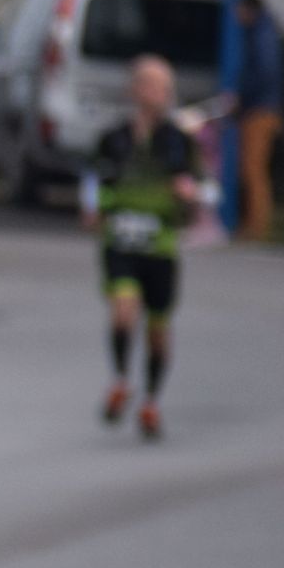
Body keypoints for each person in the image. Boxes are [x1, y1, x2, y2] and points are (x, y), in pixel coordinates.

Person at [83, 54, 202, 442]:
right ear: (133, 89)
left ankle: (151, 400)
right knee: (123, 311)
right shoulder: (113, 138)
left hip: (160, 248)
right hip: (121, 242)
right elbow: (93, 179)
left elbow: (200, 190)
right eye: (147, 84)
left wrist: (189, 197)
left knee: (157, 330)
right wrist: (93, 207)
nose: (154, 92)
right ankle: (120, 380)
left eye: (162, 86)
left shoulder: (179, 142)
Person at [229, 0, 284, 242]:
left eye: (239, 9)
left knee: (253, 168)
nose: (236, 15)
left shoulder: (262, 34)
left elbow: (264, 71)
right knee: (252, 168)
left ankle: (257, 226)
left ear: (249, 8)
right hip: (261, 106)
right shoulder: (261, 31)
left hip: (260, 109)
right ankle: (254, 223)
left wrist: (242, 97)